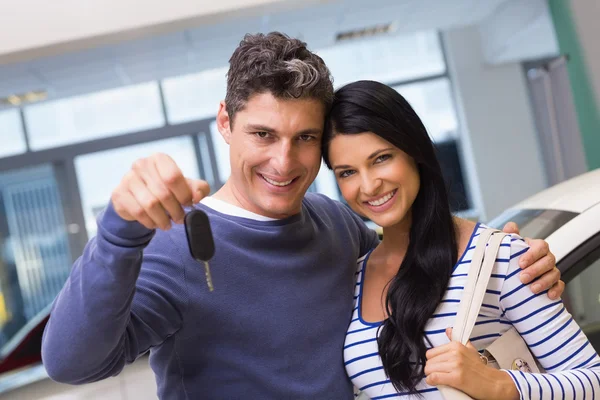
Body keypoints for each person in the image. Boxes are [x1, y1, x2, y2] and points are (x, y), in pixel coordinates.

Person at [41, 33, 563, 399]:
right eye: (263, 135)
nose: (284, 162)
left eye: (305, 138)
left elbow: (413, 267)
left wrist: (510, 258)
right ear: (226, 121)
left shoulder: (334, 222)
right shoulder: (177, 244)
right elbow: (72, 364)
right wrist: (117, 235)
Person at [323, 80, 600, 399]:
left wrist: (496, 384)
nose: (369, 185)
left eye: (381, 158)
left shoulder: (500, 258)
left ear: (414, 151)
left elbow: (592, 381)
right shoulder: (354, 277)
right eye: (347, 172)